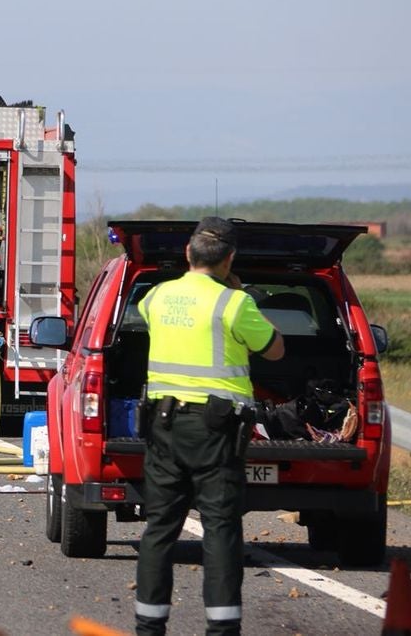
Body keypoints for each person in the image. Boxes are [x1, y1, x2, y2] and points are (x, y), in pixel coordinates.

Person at [133, 217, 285, 636]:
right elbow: (275, 350)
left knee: (160, 527)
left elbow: (154, 319)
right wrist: (237, 295)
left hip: (163, 425)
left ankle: (148, 627)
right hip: (216, 430)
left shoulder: (157, 296)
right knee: (219, 529)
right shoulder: (235, 304)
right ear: (230, 258)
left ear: (188, 253)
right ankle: (221, 630)